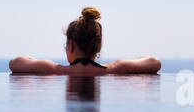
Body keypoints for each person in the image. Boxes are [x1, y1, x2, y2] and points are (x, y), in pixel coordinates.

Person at [8, 8, 160, 75]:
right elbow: (154, 63)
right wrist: (113, 66)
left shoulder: (54, 70)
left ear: (71, 44)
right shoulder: (114, 69)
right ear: (99, 46)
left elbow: (15, 63)